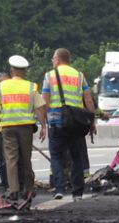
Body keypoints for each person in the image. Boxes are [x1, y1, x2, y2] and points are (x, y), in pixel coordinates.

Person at [40, 48, 97, 201]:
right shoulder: (79, 76)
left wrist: (43, 123)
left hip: (56, 121)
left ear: (57, 59)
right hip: (76, 122)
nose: (52, 61)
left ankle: (59, 189)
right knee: (76, 157)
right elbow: (89, 100)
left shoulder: (49, 76)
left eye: (53, 58)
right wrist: (92, 121)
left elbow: (44, 100)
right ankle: (77, 192)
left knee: (57, 156)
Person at [0, 56, 42, 206]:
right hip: (26, 126)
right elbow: (40, 107)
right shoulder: (31, 86)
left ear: (11, 70)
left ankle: (13, 190)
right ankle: (28, 189)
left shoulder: (0, 87)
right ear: (24, 71)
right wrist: (44, 125)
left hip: (7, 127)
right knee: (26, 159)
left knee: (11, 159)